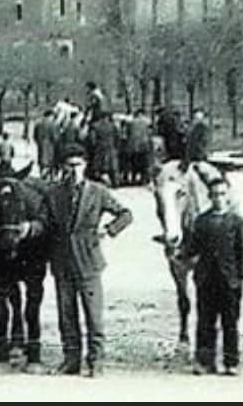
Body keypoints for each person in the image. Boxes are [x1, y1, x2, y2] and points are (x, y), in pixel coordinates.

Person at [43, 144, 133, 378]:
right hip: (62, 262)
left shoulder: (98, 192)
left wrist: (109, 230)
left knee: (93, 315)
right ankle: (71, 360)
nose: (74, 170)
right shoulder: (54, 193)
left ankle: (96, 361)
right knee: (67, 315)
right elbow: (45, 224)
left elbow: (126, 214)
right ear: (63, 167)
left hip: (89, 261)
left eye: (79, 165)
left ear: (86, 165)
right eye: (70, 165)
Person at [183, 175, 243, 377]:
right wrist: (181, 254)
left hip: (230, 281)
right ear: (209, 197)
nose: (218, 198)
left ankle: (231, 362)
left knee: (230, 322)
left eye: (222, 194)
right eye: (214, 195)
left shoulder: (238, 223)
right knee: (205, 322)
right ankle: (204, 361)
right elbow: (192, 249)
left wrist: (241, 277)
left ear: (228, 195)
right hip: (206, 280)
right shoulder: (201, 221)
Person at [125, 110, 154, 186]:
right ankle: (143, 179)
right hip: (144, 145)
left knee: (134, 163)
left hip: (133, 145)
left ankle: (133, 179)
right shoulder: (147, 122)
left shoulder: (131, 122)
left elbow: (128, 134)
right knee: (144, 163)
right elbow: (150, 133)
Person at [34, 110, 56, 179]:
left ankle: (42, 176)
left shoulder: (38, 124)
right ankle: (49, 178)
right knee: (49, 162)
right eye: (53, 116)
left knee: (41, 162)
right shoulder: (52, 124)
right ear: (50, 116)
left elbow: (34, 136)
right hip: (49, 146)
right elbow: (54, 137)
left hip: (40, 145)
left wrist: (38, 142)